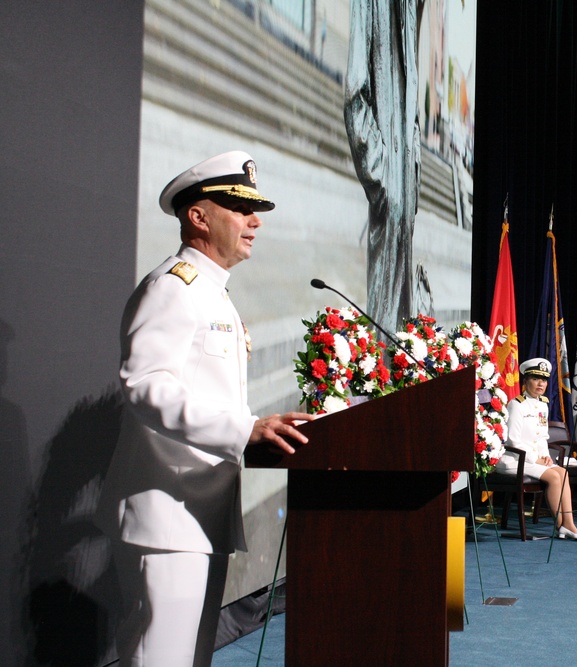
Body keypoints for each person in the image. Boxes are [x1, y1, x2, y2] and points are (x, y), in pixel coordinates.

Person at [97, 151, 315, 666]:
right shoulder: (173, 287)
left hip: (198, 511)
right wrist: (245, 429)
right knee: (161, 658)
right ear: (198, 216)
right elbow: (145, 384)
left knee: (190, 659)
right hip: (164, 512)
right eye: (241, 210)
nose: (255, 222)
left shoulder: (215, 295)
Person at [344, 0, 422, 331]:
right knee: (383, 325)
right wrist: (382, 177)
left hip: (404, 186)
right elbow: (355, 96)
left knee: (402, 328)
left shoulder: (411, 10)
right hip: (389, 182)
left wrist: (412, 170)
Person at [498, 358, 577, 540]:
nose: (541, 384)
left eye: (544, 380)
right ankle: (562, 525)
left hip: (534, 460)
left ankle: (568, 524)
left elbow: (542, 437)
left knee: (562, 472)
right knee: (555, 477)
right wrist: (535, 458)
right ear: (526, 381)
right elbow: (513, 440)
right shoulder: (516, 404)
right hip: (515, 459)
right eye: (536, 379)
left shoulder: (543, 405)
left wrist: (546, 457)